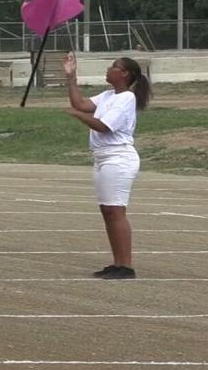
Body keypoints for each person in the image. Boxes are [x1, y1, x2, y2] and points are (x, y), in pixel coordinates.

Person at [62, 52, 150, 280]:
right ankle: (117, 262)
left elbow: (103, 126)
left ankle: (126, 266)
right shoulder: (108, 95)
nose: (108, 70)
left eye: (114, 67)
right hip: (103, 157)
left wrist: (77, 115)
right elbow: (80, 103)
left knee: (116, 210)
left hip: (118, 157)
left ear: (125, 74)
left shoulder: (126, 98)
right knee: (108, 210)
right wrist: (71, 77)